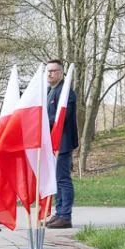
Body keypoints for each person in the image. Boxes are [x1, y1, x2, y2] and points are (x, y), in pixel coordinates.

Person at [45, 58, 78, 229]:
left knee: (62, 178)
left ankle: (65, 215)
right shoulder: (50, 90)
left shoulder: (66, 93)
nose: (49, 74)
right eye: (48, 71)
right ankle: (59, 212)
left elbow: (61, 117)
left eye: (53, 71)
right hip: (52, 143)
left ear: (61, 73)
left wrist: (42, 120)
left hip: (63, 142)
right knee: (56, 179)